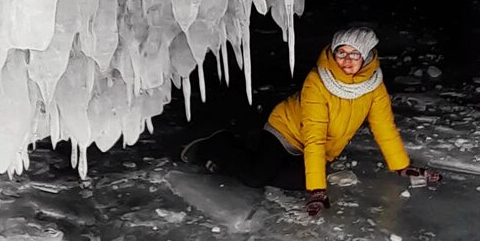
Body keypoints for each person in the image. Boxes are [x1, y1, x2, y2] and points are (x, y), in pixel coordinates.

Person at [181, 25, 442, 216]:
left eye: (354, 54)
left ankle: (252, 157)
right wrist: (318, 189)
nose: (347, 61)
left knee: (299, 182)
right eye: (341, 53)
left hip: (320, 149)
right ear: (332, 52)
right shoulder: (318, 81)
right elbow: (314, 135)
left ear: (366, 56)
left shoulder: (373, 85)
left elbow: (384, 126)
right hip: (287, 131)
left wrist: (402, 166)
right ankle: (219, 144)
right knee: (255, 177)